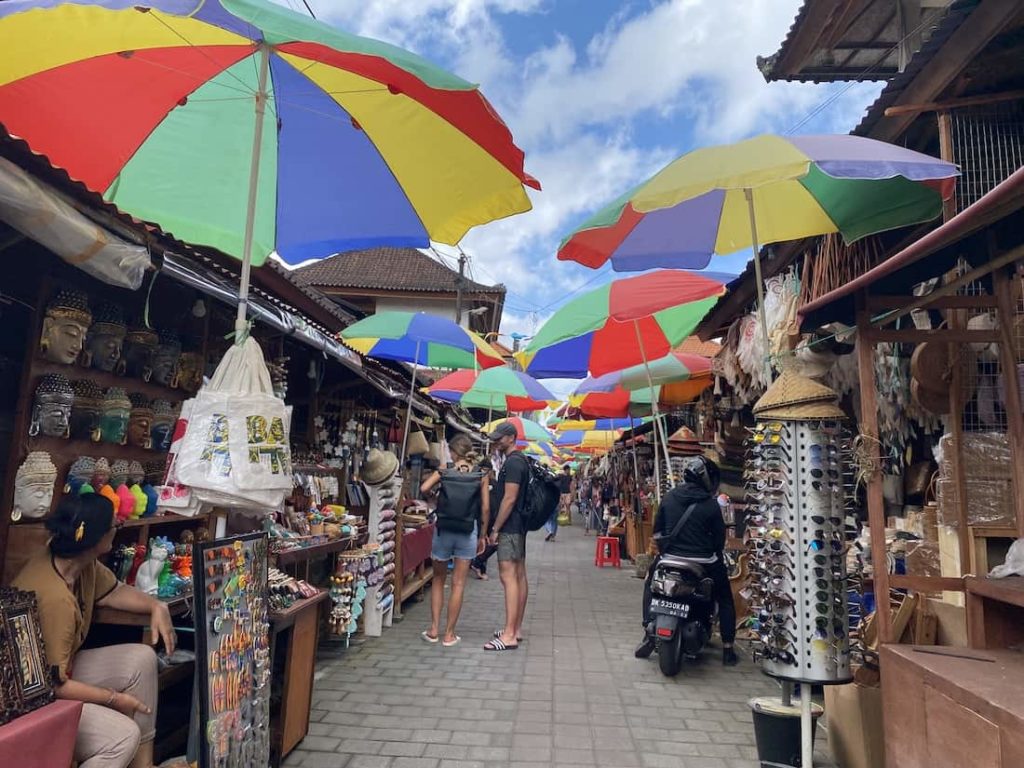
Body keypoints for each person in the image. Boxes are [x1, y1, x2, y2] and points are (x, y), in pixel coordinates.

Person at [12, 492, 177, 768]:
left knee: (142, 659)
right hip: (32, 695)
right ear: (97, 539)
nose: (119, 525)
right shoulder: (54, 598)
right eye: (114, 525)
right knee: (123, 736)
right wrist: (114, 698)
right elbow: (55, 685)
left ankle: (143, 765)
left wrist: (156, 605)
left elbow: (114, 592)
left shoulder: (79, 562)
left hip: (60, 671)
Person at [635, 455, 738, 666]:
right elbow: (719, 540)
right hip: (704, 561)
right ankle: (728, 648)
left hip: (669, 558)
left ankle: (647, 628)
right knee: (725, 597)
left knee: (649, 584)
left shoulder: (670, 497)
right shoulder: (710, 505)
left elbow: (657, 530)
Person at [420, 434, 489, 647]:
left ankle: (433, 629)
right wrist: (483, 534)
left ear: (453, 452)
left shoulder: (445, 471)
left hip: (444, 530)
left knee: (439, 580)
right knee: (458, 583)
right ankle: (449, 635)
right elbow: (485, 508)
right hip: (468, 530)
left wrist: (435, 496)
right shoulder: (481, 474)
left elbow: (423, 489)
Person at [483, 421, 529, 651]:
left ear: (511, 438)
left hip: (510, 527)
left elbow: (509, 499)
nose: (497, 442)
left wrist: (495, 528)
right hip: (518, 526)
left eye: (500, 438)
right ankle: (515, 628)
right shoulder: (521, 461)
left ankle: (510, 634)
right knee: (519, 575)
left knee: (508, 576)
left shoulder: (512, 464)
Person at [470, 458, 497, 580]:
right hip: (478, 515)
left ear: (491, 471)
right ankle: (478, 565)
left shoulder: (496, 484)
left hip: (490, 517)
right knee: (481, 542)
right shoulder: (477, 482)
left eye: (487, 470)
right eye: (483, 470)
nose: (485, 472)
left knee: (488, 543)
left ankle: (478, 564)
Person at [545, 466, 571, 542]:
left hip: (549, 504)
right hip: (556, 504)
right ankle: (553, 536)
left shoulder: (547, 484)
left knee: (547, 520)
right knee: (554, 520)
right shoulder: (558, 486)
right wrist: (561, 503)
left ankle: (550, 531)